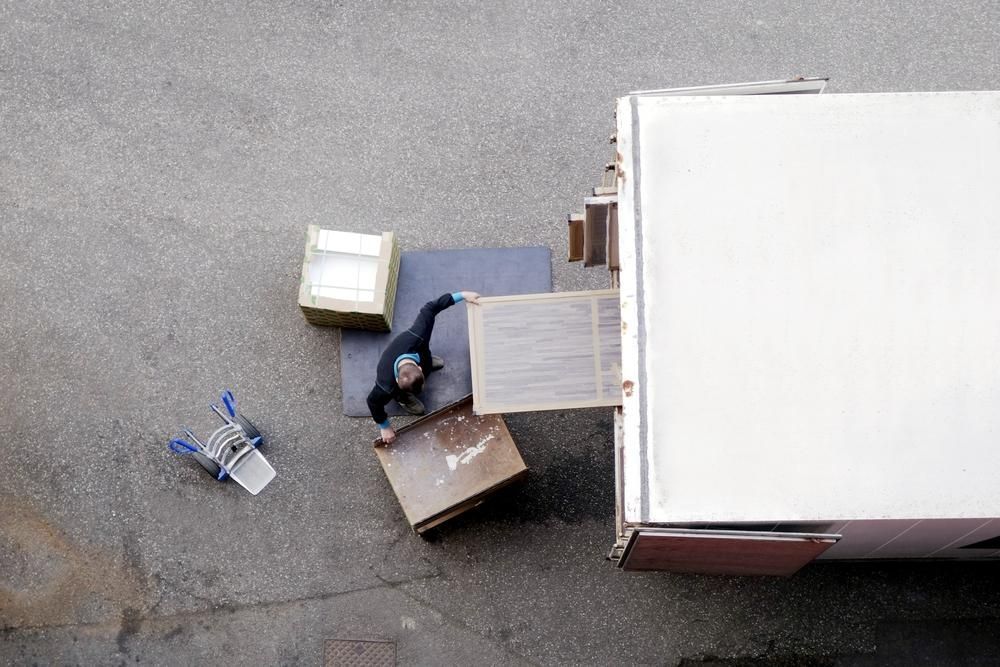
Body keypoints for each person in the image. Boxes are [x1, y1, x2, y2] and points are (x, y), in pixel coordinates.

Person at [367, 290, 481, 445]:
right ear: (395, 378)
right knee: (411, 403)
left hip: (421, 356)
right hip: (404, 379)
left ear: (419, 369)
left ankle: (427, 362)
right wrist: (384, 426)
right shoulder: (385, 385)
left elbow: (430, 308)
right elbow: (373, 403)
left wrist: (463, 295)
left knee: (427, 359)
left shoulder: (418, 335)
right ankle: (403, 398)